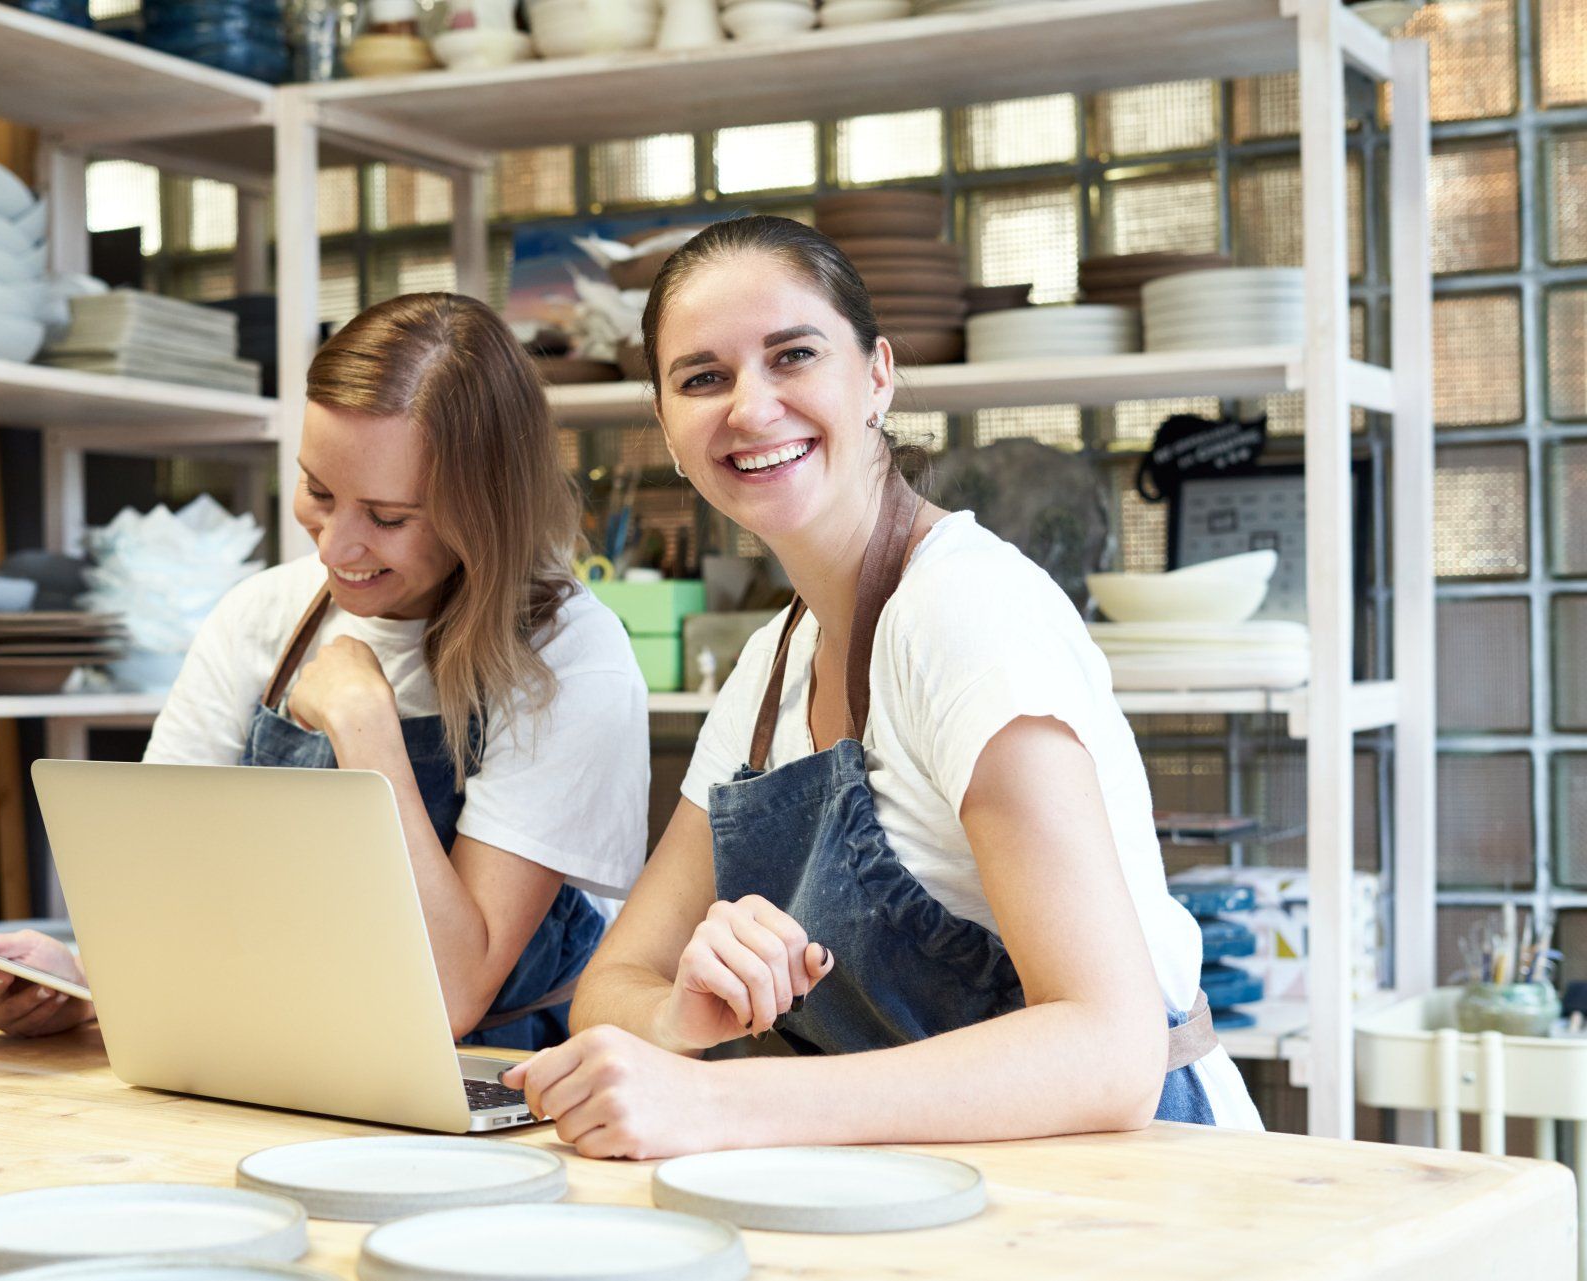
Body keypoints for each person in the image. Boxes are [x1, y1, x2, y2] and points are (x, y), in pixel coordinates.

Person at [503, 216, 1263, 1156]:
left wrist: (722, 1105)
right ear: (663, 423)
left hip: (1128, 1182)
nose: (750, 406)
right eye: (703, 377)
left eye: (793, 356)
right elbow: (612, 984)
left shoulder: (966, 611)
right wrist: (677, 1020)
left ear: (877, 377)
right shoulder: (773, 660)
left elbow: (1110, 1050)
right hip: (927, 1181)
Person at [0, 293, 650, 1051]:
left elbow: (451, 990)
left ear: (484, 509)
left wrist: (368, 734)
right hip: (285, 1046)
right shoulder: (263, 617)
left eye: (387, 517)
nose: (334, 549)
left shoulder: (569, 656)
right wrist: (91, 981)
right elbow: (164, 892)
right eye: (319, 492)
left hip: (507, 1077)